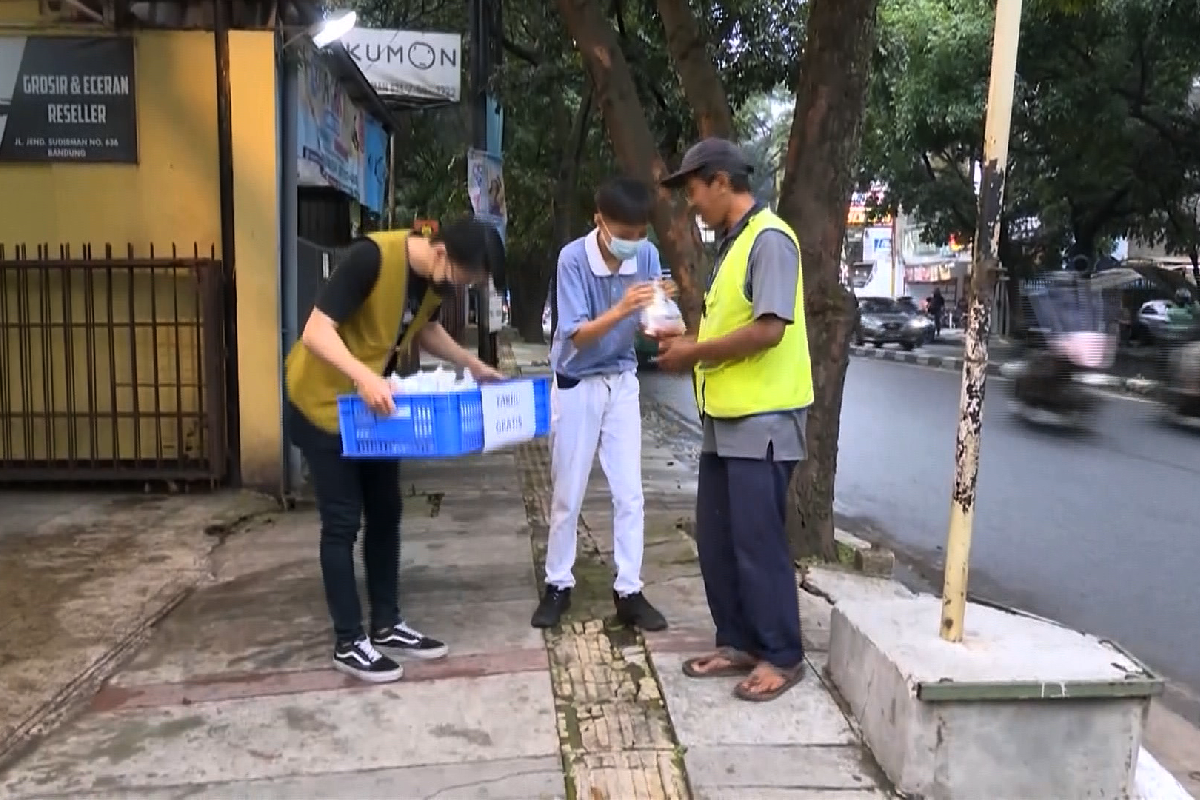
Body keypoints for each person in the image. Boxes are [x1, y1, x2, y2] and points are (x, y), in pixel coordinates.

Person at [285, 217, 506, 683]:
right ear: (442, 252)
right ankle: (349, 641)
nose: (463, 287)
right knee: (342, 521)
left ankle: (386, 625)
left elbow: (422, 330)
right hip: (324, 402)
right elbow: (316, 331)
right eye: (466, 278)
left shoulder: (432, 280)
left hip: (373, 407)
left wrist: (473, 365)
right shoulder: (370, 258)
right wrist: (364, 376)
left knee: (386, 512)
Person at [654, 138, 812, 702]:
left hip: (763, 419)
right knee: (719, 539)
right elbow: (730, 330)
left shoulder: (769, 239)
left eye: (693, 190)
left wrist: (692, 353)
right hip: (725, 418)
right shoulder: (733, 243)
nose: (691, 203)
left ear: (721, 181)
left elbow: (770, 329)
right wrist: (689, 344)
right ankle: (739, 640)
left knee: (756, 541)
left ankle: (782, 654)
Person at [531, 177, 672, 632]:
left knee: (630, 491)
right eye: (624, 235)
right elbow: (575, 333)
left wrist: (661, 312)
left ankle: (629, 590)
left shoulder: (647, 256)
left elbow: (650, 322)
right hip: (577, 381)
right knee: (567, 491)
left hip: (622, 378)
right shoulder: (572, 259)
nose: (634, 245)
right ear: (600, 223)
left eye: (640, 234)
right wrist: (622, 308)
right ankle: (558, 583)